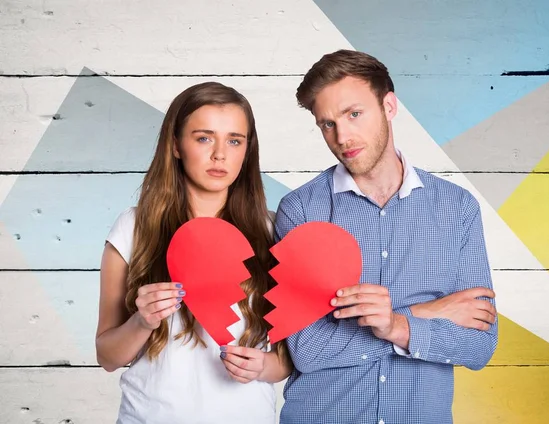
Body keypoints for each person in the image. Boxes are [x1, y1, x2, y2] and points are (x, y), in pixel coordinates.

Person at [275, 49, 498, 424]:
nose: (342, 136)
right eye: (327, 124)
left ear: (389, 106)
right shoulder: (301, 212)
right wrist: (421, 316)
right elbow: (308, 351)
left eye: (354, 114)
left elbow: (479, 346)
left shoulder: (456, 208)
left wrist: (396, 324)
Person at [95, 82, 292, 424]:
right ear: (175, 144)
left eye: (234, 140)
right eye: (204, 138)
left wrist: (265, 367)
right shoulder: (133, 227)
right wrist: (142, 321)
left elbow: (287, 359)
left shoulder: (271, 230)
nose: (220, 154)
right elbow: (107, 356)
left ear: (247, 151)